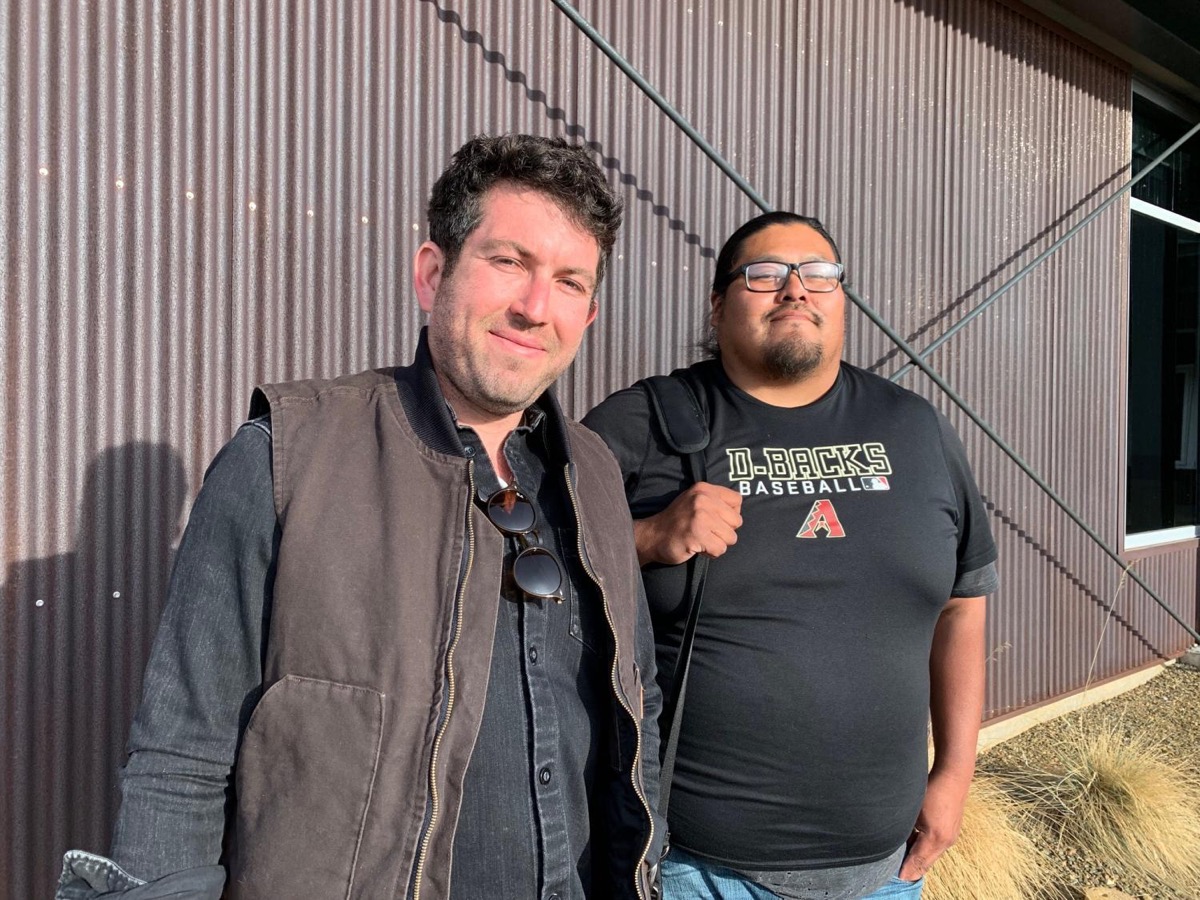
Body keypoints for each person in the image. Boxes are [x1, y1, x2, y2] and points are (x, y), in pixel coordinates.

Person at [57, 134, 664, 900]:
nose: (535, 307)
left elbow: (639, 703)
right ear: (432, 273)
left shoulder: (596, 475)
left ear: (590, 312)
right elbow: (181, 752)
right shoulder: (286, 455)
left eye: (569, 281)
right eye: (508, 262)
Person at [582, 211, 998, 900]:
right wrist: (647, 539)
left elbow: (963, 604)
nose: (796, 289)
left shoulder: (915, 428)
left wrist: (955, 776)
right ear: (717, 305)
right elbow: (538, 566)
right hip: (697, 869)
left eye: (819, 275)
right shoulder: (645, 423)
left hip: (887, 873)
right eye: (765, 274)